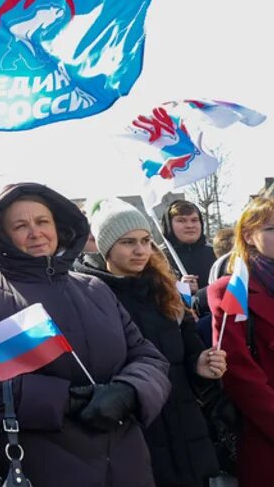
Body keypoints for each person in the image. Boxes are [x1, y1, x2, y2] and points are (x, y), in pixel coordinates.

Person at [0, 182, 171, 487]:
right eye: (21, 225)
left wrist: (129, 391)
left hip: (125, 464)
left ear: (58, 227)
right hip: (42, 467)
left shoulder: (95, 288)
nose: (35, 232)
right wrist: (65, 401)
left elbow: (148, 357)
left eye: (42, 222)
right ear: (4, 235)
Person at [76, 199, 222, 486]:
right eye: (128, 242)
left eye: (145, 240)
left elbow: (188, 351)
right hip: (134, 434)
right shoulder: (88, 296)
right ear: (105, 246)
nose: (140, 250)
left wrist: (201, 365)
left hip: (185, 432)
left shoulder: (164, 288)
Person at [208, 197, 274, 487]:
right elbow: (237, 370)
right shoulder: (233, 290)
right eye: (273, 229)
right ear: (248, 235)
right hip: (265, 432)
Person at [161, 200, 216, 294]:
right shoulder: (157, 257)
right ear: (169, 225)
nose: (190, 226)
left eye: (194, 220)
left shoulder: (215, 253)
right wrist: (179, 291)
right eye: (181, 220)